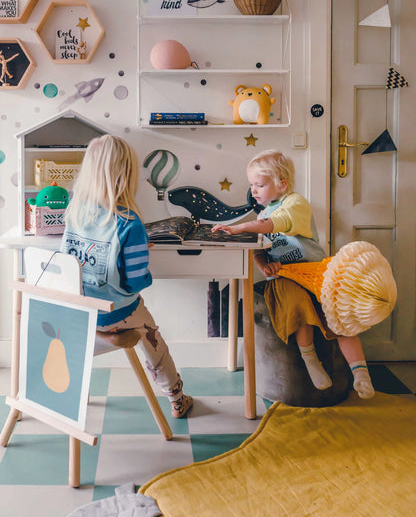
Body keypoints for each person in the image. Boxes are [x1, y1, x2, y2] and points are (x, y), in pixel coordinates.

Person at [212, 149, 375, 399]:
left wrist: (239, 228)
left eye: (259, 185)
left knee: (337, 313)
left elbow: (274, 225)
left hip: (313, 269)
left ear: (281, 185)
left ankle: (360, 371)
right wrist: (263, 264)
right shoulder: (262, 215)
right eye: (251, 185)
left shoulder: (294, 203)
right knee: (299, 306)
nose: (253, 190)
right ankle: (310, 360)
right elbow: (258, 246)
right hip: (286, 276)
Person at [61, 134, 193, 417]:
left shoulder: (74, 212)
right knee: (152, 337)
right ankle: (177, 397)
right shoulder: (129, 224)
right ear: (127, 176)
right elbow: (134, 282)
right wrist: (141, 255)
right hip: (115, 312)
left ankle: (101, 339)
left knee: (117, 316)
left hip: (80, 311)